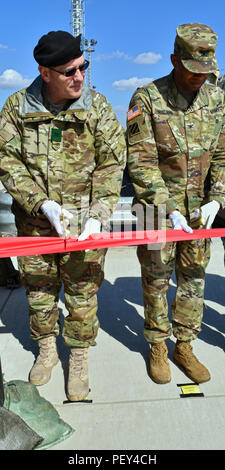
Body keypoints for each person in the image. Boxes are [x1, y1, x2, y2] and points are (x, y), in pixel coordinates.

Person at [0, 31, 126, 401]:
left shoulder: (97, 108)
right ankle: (47, 349)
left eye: (83, 67)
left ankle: (80, 355)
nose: (80, 77)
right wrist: (42, 203)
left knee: (83, 293)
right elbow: (6, 160)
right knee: (38, 291)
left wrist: (99, 213)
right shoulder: (16, 109)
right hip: (35, 226)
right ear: (45, 72)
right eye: (69, 71)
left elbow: (112, 162)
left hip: (86, 227)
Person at [127, 23, 225, 384]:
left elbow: (223, 157)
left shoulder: (217, 100)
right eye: (192, 71)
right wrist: (167, 206)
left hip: (200, 209)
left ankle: (185, 343)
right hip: (153, 209)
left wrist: (218, 199)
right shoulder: (147, 99)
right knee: (155, 279)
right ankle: (156, 344)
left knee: (193, 279)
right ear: (173, 60)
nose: (200, 78)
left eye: (206, 72)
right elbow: (140, 161)